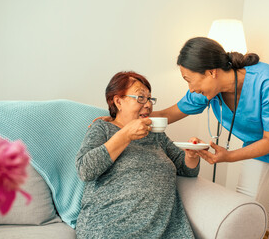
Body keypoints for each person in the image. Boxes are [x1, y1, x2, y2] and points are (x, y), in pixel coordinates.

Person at [96, 37, 269, 239]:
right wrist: (120, 118)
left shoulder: (267, 80)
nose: (190, 88)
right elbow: (168, 114)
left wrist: (228, 157)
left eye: (189, 79)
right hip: (257, 144)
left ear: (211, 72)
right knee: (243, 201)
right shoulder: (208, 91)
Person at [75, 71, 200, 238]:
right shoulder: (103, 128)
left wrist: (191, 156)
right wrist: (125, 135)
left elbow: (187, 170)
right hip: (108, 228)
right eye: (141, 98)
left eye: (149, 99)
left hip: (163, 230)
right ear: (118, 101)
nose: (148, 105)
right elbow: (85, 170)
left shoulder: (156, 134)